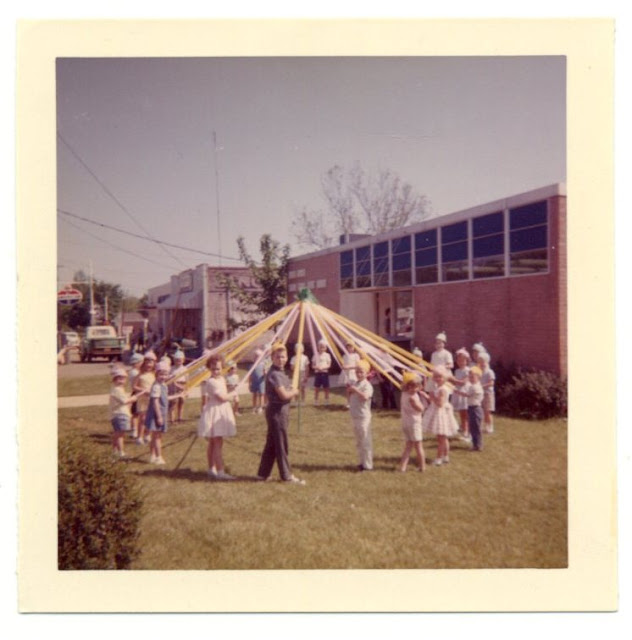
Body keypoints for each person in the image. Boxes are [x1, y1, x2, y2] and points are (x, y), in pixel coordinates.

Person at [256, 342, 305, 484]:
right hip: (277, 412)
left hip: (280, 411)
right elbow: (283, 395)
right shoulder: (274, 374)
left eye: (283, 357)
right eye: (277, 357)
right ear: (272, 357)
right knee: (281, 444)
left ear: (287, 357)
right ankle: (287, 475)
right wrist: (294, 392)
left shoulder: (280, 372)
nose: (281, 359)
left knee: (272, 443)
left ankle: (262, 474)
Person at [197, 356, 238, 480]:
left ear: (223, 368)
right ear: (209, 368)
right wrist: (234, 393)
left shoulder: (221, 379)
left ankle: (211, 468)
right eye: (214, 369)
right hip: (215, 411)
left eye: (219, 369)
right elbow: (222, 398)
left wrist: (231, 389)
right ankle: (220, 472)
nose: (216, 371)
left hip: (220, 410)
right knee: (217, 442)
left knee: (213, 442)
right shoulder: (211, 382)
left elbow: (224, 391)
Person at [144, 361, 182, 465]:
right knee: (157, 437)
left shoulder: (163, 385)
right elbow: (155, 401)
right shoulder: (156, 386)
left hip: (160, 414)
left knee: (155, 435)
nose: (163, 377)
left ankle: (152, 455)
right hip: (157, 414)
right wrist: (159, 416)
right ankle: (158, 457)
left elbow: (165, 398)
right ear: (156, 374)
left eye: (165, 374)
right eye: (161, 374)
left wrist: (178, 395)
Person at [422, 365, 459, 466]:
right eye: (436, 376)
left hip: (441, 413)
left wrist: (432, 396)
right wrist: (427, 396)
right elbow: (435, 401)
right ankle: (445, 456)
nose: (438, 379)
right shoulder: (438, 388)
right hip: (439, 411)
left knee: (441, 438)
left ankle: (439, 458)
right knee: (442, 437)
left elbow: (440, 404)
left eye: (440, 377)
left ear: (445, 378)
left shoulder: (443, 389)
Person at [109, 367, 145, 459]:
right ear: (114, 379)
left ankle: (115, 451)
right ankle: (121, 452)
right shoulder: (116, 390)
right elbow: (125, 401)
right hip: (119, 414)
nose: (121, 381)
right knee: (120, 434)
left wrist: (138, 394)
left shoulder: (119, 389)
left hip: (120, 414)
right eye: (118, 378)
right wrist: (135, 397)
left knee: (118, 434)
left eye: (123, 378)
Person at [346, 359, 374, 471]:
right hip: (355, 415)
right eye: (357, 372)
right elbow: (351, 397)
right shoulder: (356, 383)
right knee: (359, 441)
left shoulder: (367, 385)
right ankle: (362, 462)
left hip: (363, 417)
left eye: (361, 372)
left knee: (365, 441)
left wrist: (355, 390)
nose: (358, 374)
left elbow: (365, 397)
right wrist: (350, 391)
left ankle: (368, 465)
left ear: (367, 373)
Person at [398, 371, 428, 472]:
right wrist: (423, 401)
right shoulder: (412, 398)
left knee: (408, 446)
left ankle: (402, 467)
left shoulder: (403, 394)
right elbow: (421, 409)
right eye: (412, 386)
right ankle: (422, 467)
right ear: (408, 386)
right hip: (414, 423)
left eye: (416, 386)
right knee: (419, 446)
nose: (414, 389)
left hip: (406, 423)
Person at [453, 365, 485, 451]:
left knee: (476, 428)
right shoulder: (472, 385)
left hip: (475, 409)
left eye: (472, 377)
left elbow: (467, 394)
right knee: (473, 427)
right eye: (470, 377)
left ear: (478, 377)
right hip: (471, 408)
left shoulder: (476, 387)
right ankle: (476, 444)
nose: (470, 378)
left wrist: (457, 392)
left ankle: (478, 445)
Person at [133, 350, 157, 445]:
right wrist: (143, 390)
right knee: (142, 418)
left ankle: (148, 434)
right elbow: (134, 386)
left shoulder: (154, 374)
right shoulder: (140, 374)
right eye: (147, 362)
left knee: (151, 418)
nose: (148, 365)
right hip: (143, 398)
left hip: (152, 398)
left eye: (151, 363)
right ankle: (140, 436)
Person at [450, 348, 471, 439]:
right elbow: (454, 382)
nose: (460, 362)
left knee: (465, 413)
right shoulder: (457, 371)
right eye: (458, 360)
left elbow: (463, 382)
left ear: (467, 361)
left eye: (463, 360)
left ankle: (467, 431)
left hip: (464, 392)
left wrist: (453, 380)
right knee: (461, 412)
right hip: (458, 392)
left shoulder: (468, 370)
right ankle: (463, 428)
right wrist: (452, 381)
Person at [477, 351, 496, 434]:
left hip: (488, 393)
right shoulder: (478, 371)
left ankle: (489, 426)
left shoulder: (489, 372)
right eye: (479, 361)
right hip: (480, 393)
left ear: (486, 361)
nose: (481, 363)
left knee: (487, 411)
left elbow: (491, 383)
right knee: (479, 411)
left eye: (482, 361)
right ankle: (480, 426)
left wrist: (482, 386)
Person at [168, 350, 188, 423]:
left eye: (180, 360)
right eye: (177, 360)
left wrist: (186, 388)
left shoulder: (185, 368)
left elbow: (187, 378)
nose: (178, 361)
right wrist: (175, 383)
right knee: (173, 403)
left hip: (182, 385)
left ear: (183, 360)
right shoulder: (171, 369)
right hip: (174, 386)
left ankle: (180, 417)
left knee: (181, 402)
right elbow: (170, 378)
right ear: (174, 360)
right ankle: (172, 419)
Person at [127, 352, 144, 438]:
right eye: (142, 362)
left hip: (139, 393)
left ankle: (136, 429)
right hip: (137, 393)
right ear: (137, 363)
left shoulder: (136, 371)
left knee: (138, 413)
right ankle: (134, 430)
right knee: (135, 413)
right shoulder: (134, 373)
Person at [340, 341, 361, 409]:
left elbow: (357, 365)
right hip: (347, 374)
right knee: (348, 389)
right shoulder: (344, 355)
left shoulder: (356, 355)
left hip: (353, 373)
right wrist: (344, 367)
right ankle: (349, 402)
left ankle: (356, 402)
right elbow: (343, 364)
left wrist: (349, 367)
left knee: (355, 388)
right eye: (348, 347)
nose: (349, 348)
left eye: (351, 347)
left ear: (354, 348)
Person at [311, 339, 332, 405]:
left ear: (325, 348)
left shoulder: (327, 355)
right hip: (317, 373)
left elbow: (329, 365)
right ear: (317, 347)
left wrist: (323, 367)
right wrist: (317, 367)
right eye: (320, 347)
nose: (321, 348)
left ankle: (326, 400)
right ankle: (316, 400)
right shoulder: (315, 355)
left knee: (326, 387)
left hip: (324, 373)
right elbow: (312, 365)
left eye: (323, 347)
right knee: (317, 388)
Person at [249, 348, 266, 414]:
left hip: (261, 382)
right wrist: (249, 383)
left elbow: (265, 373)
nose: (257, 357)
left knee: (261, 394)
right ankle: (254, 407)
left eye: (258, 356)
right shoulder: (251, 366)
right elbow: (250, 375)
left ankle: (260, 407)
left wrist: (265, 373)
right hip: (254, 382)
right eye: (255, 356)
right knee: (254, 394)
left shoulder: (263, 365)